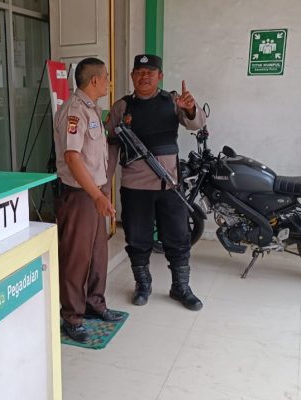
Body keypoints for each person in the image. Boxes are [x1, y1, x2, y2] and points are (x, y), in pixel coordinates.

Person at [104, 54, 206, 310]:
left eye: (150, 72)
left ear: (159, 76)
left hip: (169, 185)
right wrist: (104, 186)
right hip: (134, 187)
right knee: (137, 239)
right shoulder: (121, 107)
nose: (144, 77)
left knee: (178, 237)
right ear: (132, 76)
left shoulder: (173, 101)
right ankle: (143, 284)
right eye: (139, 72)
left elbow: (196, 124)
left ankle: (180, 287)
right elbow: (111, 147)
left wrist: (190, 108)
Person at [54, 58, 122, 343]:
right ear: (95, 80)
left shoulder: (92, 108)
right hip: (80, 196)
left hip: (94, 192)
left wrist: (100, 192)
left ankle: (95, 304)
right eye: (106, 76)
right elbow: (72, 157)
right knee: (76, 258)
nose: (108, 81)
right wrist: (96, 195)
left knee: (97, 253)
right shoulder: (74, 111)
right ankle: (72, 317)